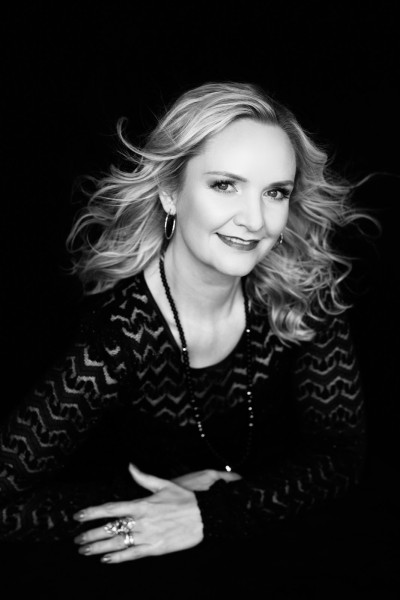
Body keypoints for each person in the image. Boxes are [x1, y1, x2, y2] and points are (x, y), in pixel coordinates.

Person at [1, 82, 370, 592]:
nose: (255, 220)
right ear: (170, 192)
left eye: (275, 192)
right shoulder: (118, 337)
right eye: (225, 185)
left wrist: (212, 511)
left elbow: (343, 455)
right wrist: (159, 504)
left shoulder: (303, 292)